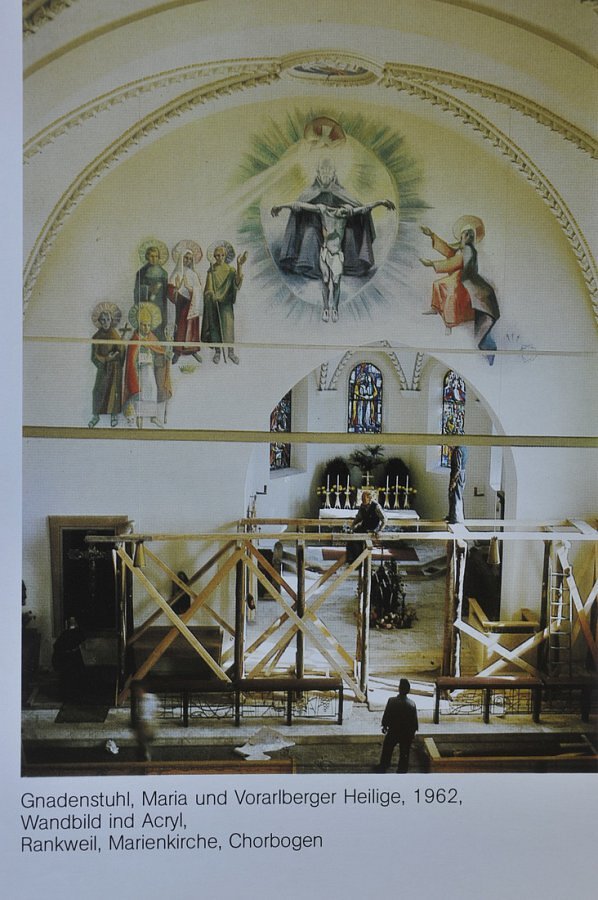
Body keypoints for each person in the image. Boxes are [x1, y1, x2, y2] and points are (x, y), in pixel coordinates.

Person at [272, 160, 395, 322]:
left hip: (337, 251)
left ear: (334, 175)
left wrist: (381, 202)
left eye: (329, 171)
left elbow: (363, 208)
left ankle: (334, 307)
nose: (326, 174)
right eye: (323, 171)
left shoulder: (344, 209)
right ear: (318, 173)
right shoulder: (321, 208)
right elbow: (300, 205)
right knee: (323, 274)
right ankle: (325, 307)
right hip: (320, 241)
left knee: (336, 282)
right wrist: (280, 206)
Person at [420, 216, 500, 359]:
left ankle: (448, 322)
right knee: (438, 285)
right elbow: (448, 250)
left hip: (466, 280)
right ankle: (436, 308)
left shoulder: (468, 250)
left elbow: (455, 262)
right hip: (459, 276)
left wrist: (432, 264)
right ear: (462, 236)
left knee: (447, 290)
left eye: (470, 234)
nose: (467, 236)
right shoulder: (461, 249)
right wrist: (431, 234)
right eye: (465, 234)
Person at [123, 302, 172, 428]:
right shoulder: (135, 340)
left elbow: (159, 352)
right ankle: (139, 419)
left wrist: (165, 356)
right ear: (138, 324)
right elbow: (131, 360)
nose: (146, 328)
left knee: (152, 390)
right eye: (143, 325)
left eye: (148, 325)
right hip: (139, 372)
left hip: (150, 370)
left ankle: (153, 417)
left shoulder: (152, 338)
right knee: (142, 395)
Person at [201, 242, 247, 364]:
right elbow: (208, 287)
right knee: (215, 328)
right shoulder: (211, 270)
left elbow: (237, 284)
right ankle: (218, 352)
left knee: (228, 328)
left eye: (222, 255)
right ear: (214, 256)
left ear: (226, 255)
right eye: (217, 255)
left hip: (226, 304)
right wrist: (211, 293)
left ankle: (231, 352)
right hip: (214, 304)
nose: (220, 258)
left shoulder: (231, 270)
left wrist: (239, 265)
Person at [88, 302, 125, 428]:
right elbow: (94, 356)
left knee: (114, 391)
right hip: (103, 368)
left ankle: (114, 415)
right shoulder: (96, 337)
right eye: (103, 320)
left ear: (111, 320)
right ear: (99, 321)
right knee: (98, 390)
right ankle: (96, 415)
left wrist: (118, 352)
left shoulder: (115, 335)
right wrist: (105, 359)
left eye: (108, 319)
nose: (106, 322)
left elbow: (121, 351)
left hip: (114, 368)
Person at [168, 241, 203, 365]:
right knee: (181, 328)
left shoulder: (193, 274)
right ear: (181, 258)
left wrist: (190, 289)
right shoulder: (177, 273)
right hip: (181, 304)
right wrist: (176, 289)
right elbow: (170, 291)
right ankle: (177, 352)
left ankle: (193, 350)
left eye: (190, 259)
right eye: (185, 258)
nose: (187, 260)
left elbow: (199, 290)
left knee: (192, 328)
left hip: (192, 304)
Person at [376, 678, 419, 773]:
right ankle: (402, 769)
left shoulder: (391, 701)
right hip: (406, 733)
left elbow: (386, 715)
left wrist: (384, 726)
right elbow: (414, 721)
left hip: (393, 731)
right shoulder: (412, 704)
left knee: (387, 748)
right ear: (408, 690)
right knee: (405, 752)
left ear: (399, 689)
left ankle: (384, 765)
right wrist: (413, 733)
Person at [134, 243, 169, 339]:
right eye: (152, 256)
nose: (154, 259)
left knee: (159, 329)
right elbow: (136, 292)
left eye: (156, 256)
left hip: (160, 307)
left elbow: (166, 293)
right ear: (147, 257)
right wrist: (148, 289)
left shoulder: (164, 273)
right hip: (146, 306)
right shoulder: (141, 273)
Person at [346, 489, 386, 564]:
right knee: (351, 537)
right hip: (364, 527)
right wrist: (352, 526)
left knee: (357, 541)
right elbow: (358, 518)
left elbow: (384, 519)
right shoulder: (362, 506)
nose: (362, 500)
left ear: (369, 498)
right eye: (362, 498)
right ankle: (351, 559)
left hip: (372, 529)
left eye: (364, 498)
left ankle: (358, 562)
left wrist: (380, 530)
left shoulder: (376, 506)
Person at [131, 682, 159, 762]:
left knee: (143, 744)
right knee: (145, 744)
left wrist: (139, 727)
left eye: (137, 691)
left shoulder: (145, 701)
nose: (136, 694)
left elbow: (144, 716)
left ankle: (146, 759)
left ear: (140, 690)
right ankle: (146, 756)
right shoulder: (152, 697)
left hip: (146, 725)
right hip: (151, 724)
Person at [447, 442, 468, 524]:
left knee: (455, 495)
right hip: (461, 474)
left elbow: (457, 468)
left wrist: (453, 481)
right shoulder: (464, 447)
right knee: (456, 495)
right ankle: (453, 515)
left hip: (457, 475)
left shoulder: (457, 450)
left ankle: (455, 517)